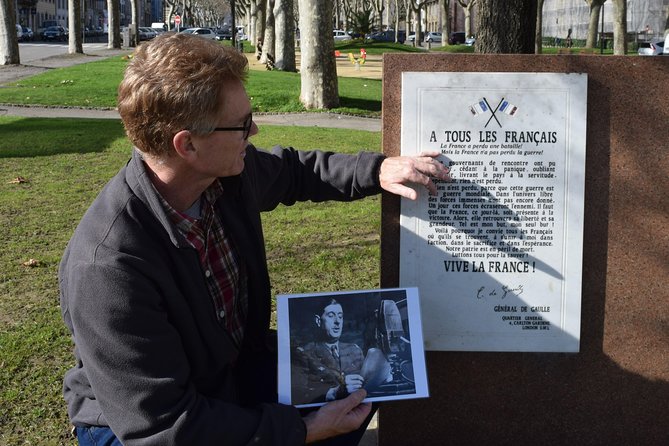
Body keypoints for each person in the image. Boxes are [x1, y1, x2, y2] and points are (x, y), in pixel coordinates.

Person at [59, 32, 450, 446]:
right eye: (243, 124)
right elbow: (163, 426)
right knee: (329, 424)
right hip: (141, 428)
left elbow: (296, 171)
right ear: (187, 144)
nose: (256, 129)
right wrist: (303, 431)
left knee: (365, 384)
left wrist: (378, 170)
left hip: (228, 374)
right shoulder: (108, 267)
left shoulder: (223, 177)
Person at [292, 298, 366, 405]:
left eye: (340, 316)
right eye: (331, 316)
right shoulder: (304, 352)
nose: (337, 321)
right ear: (318, 321)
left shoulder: (355, 350)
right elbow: (298, 393)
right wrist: (334, 393)